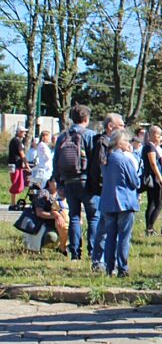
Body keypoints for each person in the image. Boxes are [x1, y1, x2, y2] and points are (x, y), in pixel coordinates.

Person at [53, 105, 99, 262]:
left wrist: (59, 184)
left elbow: (55, 161)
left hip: (68, 181)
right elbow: (96, 160)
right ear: (86, 119)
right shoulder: (91, 135)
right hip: (86, 182)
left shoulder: (62, 136)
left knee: (73, 216)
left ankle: (75, 254)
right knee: (93, 217)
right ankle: (93, 252)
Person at [99, 129, 140, 277]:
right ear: (119, 142)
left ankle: (109, 268)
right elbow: (135, 182)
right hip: (125, 201)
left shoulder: (105, 159)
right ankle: (123, 268)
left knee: (110, 236)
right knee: (124, 236)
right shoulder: (124, 159)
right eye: (127, 141)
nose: (129, 144)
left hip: (108, 201)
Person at [87, 113, 125, 271]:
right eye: (121, 125)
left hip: (107, 191)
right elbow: (101, 167)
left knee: (107, 228)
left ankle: (104, 261)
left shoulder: (103, 142)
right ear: (111, 126)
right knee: (104, 228)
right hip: (104, 192)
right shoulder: (103, 143)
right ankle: (98, 261)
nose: (123, 128)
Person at [141, 125, 162, 236]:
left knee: (152, 204)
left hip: (154, 178)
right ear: (152, 134)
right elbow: (153, 164)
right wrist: (161, 178)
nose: (159, 136)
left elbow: (160, 139)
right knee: (158, 204)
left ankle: (149, 228)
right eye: (158, 134)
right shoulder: (150, 147)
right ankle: (149, 228)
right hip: (154, 179)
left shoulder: (151, 145)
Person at [33, 177, 69, 255]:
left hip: (62, 225)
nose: (58, 184)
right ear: (49, 182)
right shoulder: (43, 193)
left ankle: (63, 248)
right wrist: (57, 216)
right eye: (56, 182)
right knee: (51, 237)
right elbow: (39, 213)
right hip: (44, 224)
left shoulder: (62, 194)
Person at [8, 125, 29, 206]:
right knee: (16, 182)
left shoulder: (13, 140)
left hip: (11, 164)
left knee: (14, 181)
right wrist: (27, 164)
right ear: (19, 132)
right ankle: (13, 203)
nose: (25, 133)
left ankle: (13, 202)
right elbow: (22, 154)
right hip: (16, 165)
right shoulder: (17, 141)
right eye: (23, 132)